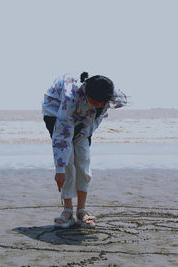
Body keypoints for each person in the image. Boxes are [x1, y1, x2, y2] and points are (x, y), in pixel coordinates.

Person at [42, 72, 127, 228]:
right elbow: (62, 137)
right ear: (87, 93)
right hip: (56, 112)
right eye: (95, 101)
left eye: (102, 103)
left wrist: (96, 108)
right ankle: (67, 210)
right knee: (67, 162)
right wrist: (59, 169)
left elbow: (101, 110)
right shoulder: (70, 98)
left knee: (83, 159)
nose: (99, 105)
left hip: (84, 117)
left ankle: (81, 210)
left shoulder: (109, 95)